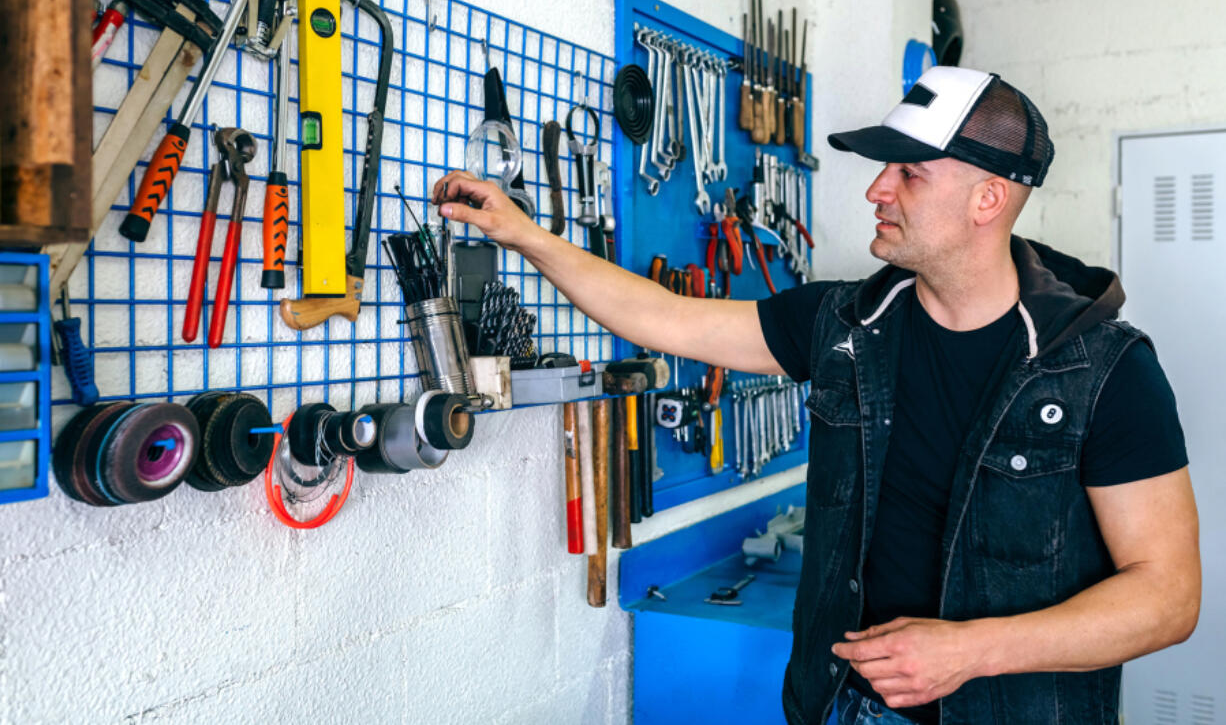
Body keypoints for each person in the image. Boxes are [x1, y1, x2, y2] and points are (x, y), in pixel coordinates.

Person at [431, 66, 1201, 725]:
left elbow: (1168, 597)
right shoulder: (843, 325)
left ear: (988, 200)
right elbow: (664, 317)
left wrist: (971, 651)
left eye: (909, 173)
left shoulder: (1103, 369)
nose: (876, 189)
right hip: (849, 705)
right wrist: (525, 233)